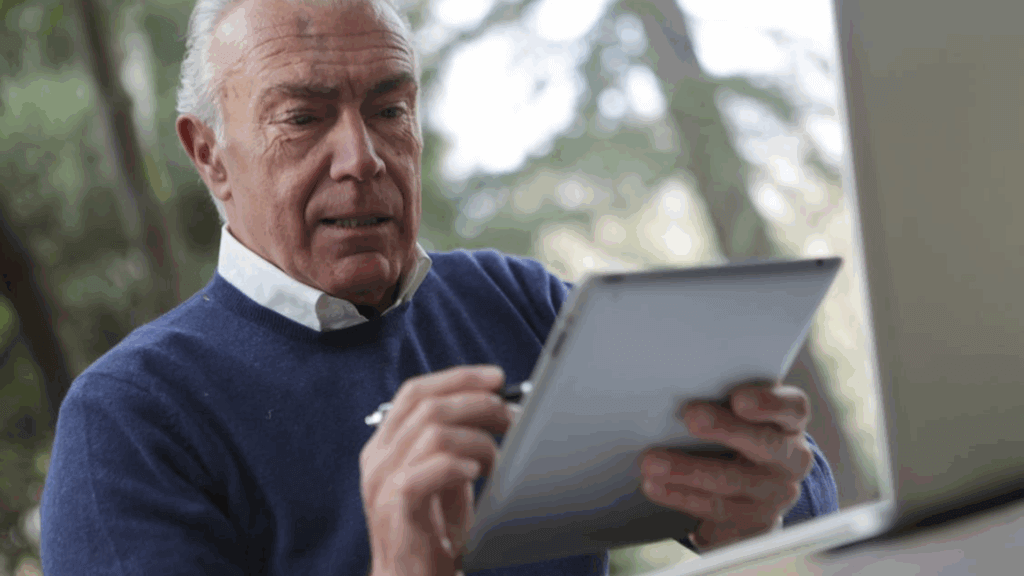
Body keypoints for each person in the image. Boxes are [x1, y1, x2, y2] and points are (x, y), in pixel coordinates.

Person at [40, 0, 839, 574]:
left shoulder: (512, 300)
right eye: (304, 118)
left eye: (389, 107)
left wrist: (760, 512)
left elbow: (807, 525)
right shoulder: (131, 418)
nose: (363, 157)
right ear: (209, 153)